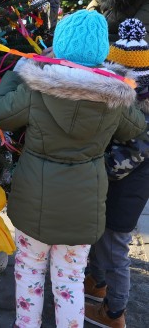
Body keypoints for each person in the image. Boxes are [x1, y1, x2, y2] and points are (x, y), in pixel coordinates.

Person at [0, 10, 146, 328]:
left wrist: (18, 73)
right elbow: (136, 128)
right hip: (82, 209)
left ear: (58, 47)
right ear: (102, 52)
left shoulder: (35, 87)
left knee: (29, 274)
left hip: (33, 202)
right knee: (70, 283)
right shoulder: (115, 96)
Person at [84, 18, 149, 328]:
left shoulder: (141, 115)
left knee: (114, 250)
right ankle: (95, 285)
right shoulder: (133, 103)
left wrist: (93, 166)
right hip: (113, 192)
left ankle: (114, 312)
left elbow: (125, 160)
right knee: (101, 240)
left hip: (125, 194)